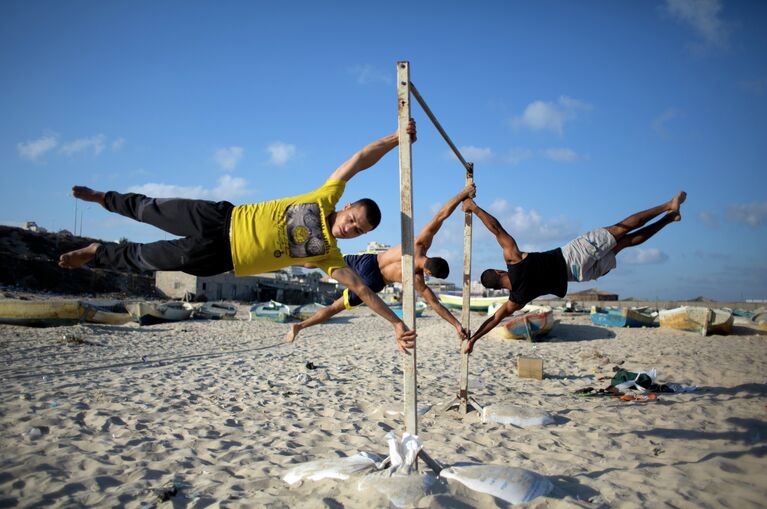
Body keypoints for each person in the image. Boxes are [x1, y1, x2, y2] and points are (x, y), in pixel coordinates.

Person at [58, 121, 419, 352]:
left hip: (222, 259)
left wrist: (397, 323)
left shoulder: (329, 255)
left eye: (359, 231)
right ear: (348, 206)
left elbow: (363, 291)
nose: (350, 228)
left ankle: (97, 251)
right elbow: (358, 159)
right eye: (353, 219)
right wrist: (395, 138)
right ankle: (102, 198)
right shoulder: (324, 196)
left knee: (147, 257)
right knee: (151, 208)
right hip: (219, 218)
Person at [462, 191, 687, 353]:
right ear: (500, 271)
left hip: (579, 275)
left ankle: (669, 219)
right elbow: (496, 228)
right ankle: (667, 206)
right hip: (573, 255)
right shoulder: (514, 259)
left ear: (498, 288)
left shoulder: (517, 299)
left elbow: (494, 319)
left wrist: (473, 339)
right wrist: (475, 208)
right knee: (621, 229)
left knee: (625, 244)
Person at [286, 183, 477, 344]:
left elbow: (441, 216)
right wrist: (456, 324)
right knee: (335, 308)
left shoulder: (419, 244)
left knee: (322, 261)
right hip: (374, 281)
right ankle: (300, 326)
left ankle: (286, 260)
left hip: (368, 261)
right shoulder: (416, 278)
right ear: (429, 271)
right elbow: (435, 303)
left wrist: (462, 194)